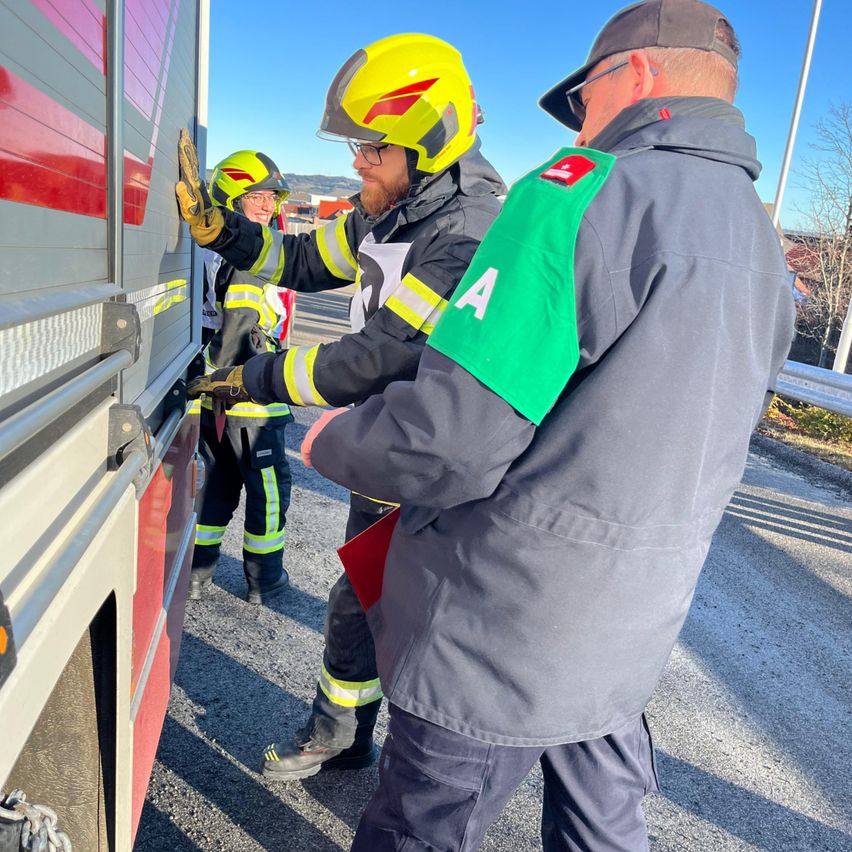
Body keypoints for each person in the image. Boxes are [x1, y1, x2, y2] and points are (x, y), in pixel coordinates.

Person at [298, 1, 796, 849]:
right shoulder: (761, 239)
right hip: (627, 636)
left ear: (633, 77)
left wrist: (329, 438)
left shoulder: (576, 194)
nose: (580, 123)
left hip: (501, 630)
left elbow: (450, 437)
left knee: (421, 827)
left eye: (584, 98)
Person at [177, 34, 506, 778]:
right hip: (388, 446)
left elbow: (374, 356)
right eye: (356, 146)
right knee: (361, 590)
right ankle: (346, 734)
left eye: (372, 148)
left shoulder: (464, 232)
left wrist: (251, 378)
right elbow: (299, 261)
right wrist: (222, 229)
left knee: (407, 610)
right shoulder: (389, 207)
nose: (358, 162)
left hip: (431, 457)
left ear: (427, 145)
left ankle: (400, 759)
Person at [189, 151, 294, 605]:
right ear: (231, 198)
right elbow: (238, 327)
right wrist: (228, 379)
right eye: (257, 196)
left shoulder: (213, 251)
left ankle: (196, 572)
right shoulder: (250, 260)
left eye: (273, 197)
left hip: (216, 400)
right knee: (270, 490)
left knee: (219, 483)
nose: (268, 206)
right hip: (251, 400)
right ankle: (264, 578)